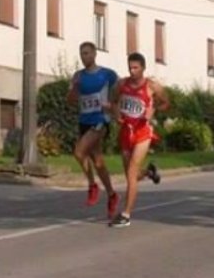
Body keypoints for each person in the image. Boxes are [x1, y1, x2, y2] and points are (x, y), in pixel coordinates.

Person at [108, 52, 168, 228]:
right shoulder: (121, 84)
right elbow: (112, 102)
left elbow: (166, 103)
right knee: (130, 175)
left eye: (136, 68)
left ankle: (125, 215)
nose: (132, 71)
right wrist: (116, 113)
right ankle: (149, 173)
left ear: (143, 68)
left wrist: (154, 109)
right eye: (130, 67)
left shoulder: (152, 87)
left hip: (143, 133)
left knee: (132, 174)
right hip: (126, 132)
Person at [67, 42, 120, 219]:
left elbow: (120, 93)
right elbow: (71, 100)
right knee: (98, 162)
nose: (84, 57)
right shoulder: (78, 76)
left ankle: (92, 185)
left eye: (87, 53)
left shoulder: (107, 75)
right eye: (82, 54)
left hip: (100, 120)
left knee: (79, 152)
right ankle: (112, 194)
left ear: (95, 54)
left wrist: (113, 109)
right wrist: (74, 86)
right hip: (84, 120)